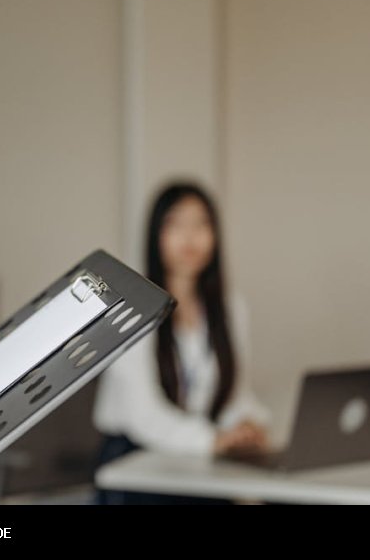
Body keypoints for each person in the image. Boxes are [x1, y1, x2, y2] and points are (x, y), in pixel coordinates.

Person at [92, 182, 269, 503]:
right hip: (134, 462)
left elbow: (232, 393)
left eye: (201, 224)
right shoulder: (128, 308)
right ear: (155, 235)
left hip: (193, 457)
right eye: (176, 224)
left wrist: (246, 424)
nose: (190, 238)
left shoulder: (229, 307)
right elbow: (142, 415)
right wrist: (214, 440)